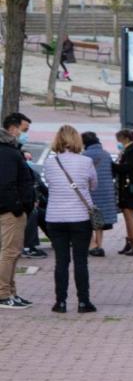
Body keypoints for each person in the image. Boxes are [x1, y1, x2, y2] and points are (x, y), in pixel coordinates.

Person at [43, 125, 98, 314]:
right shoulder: (86, 161)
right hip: (80, 216)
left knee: (61, 261)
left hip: (55, 217)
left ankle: (60, 302)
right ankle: (83, 301)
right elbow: (93, 185)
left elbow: (49, 183)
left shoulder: (50, 163)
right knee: (81, 261)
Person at [0, 114, 36, 310]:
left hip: (13, 209)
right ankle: (3, 294)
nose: (25, 134)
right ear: (13, 129)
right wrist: (17, 206)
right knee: (9, 253)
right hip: (10, 211)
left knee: (13, 253)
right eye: (24, 130)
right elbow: (6, 183)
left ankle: (11, 292)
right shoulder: (7, 152)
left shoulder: (11, 150)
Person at [81, 132, 118, 257]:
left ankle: (92, 245)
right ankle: (99, 245)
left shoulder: (84, 156)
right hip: (106, 191)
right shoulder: (106, 154)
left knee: (87, 219)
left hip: (90, 191)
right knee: (99, 219)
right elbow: (112, 172)